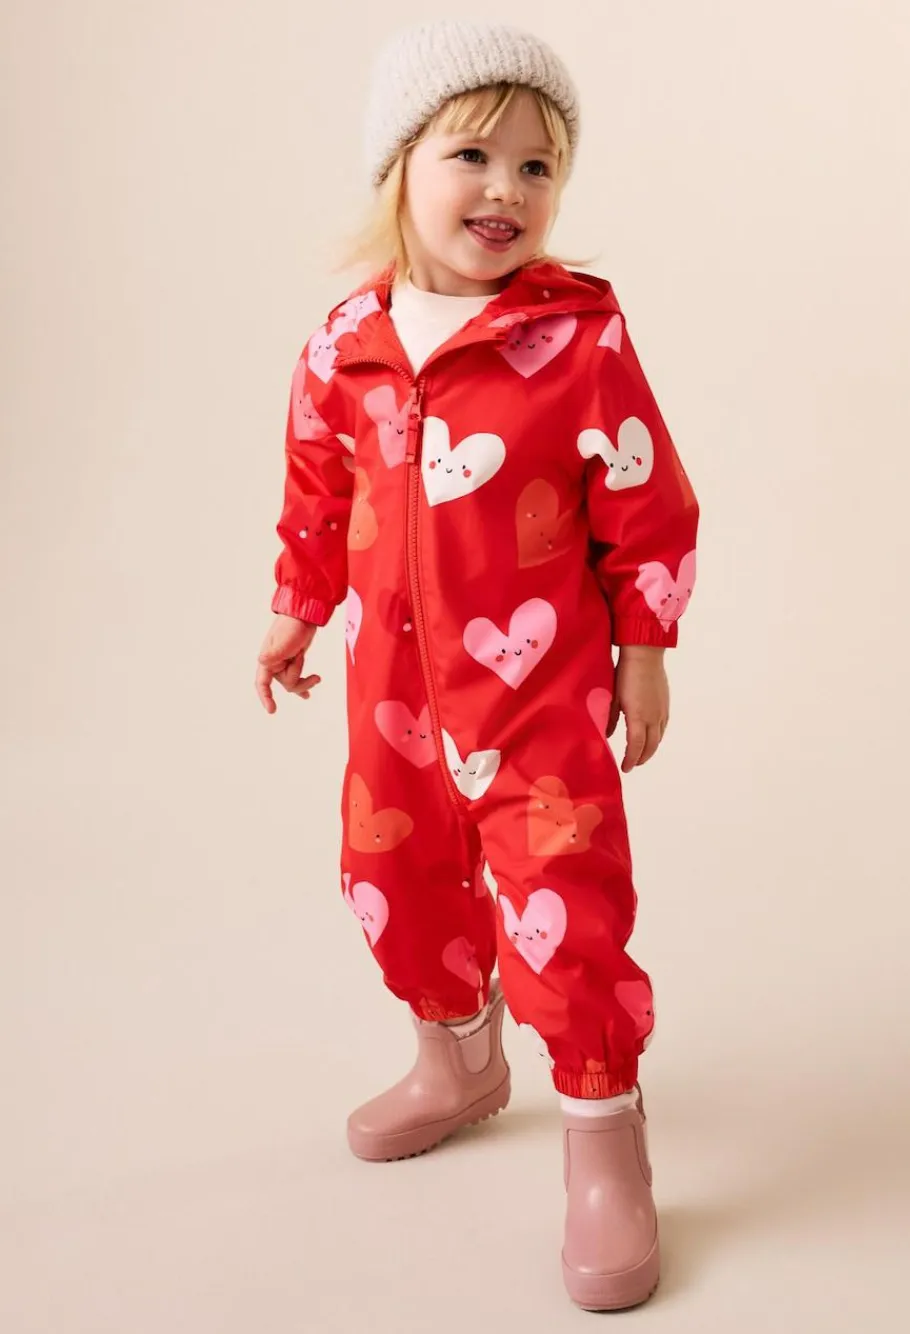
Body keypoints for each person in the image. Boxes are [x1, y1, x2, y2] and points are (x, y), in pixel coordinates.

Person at [255, 19, 699, 1312]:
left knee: (567, 912)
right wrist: (294, 607)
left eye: (537, 166)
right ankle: (456, 1059)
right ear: (400, 165)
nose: (506, 189)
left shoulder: (577, 340)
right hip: (392, 702)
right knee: (392, 878)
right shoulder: (345, 343)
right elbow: (315, 488)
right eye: (472, 155)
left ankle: (604, 1136)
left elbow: (646, 501)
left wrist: (646, 650)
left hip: (539, 698)